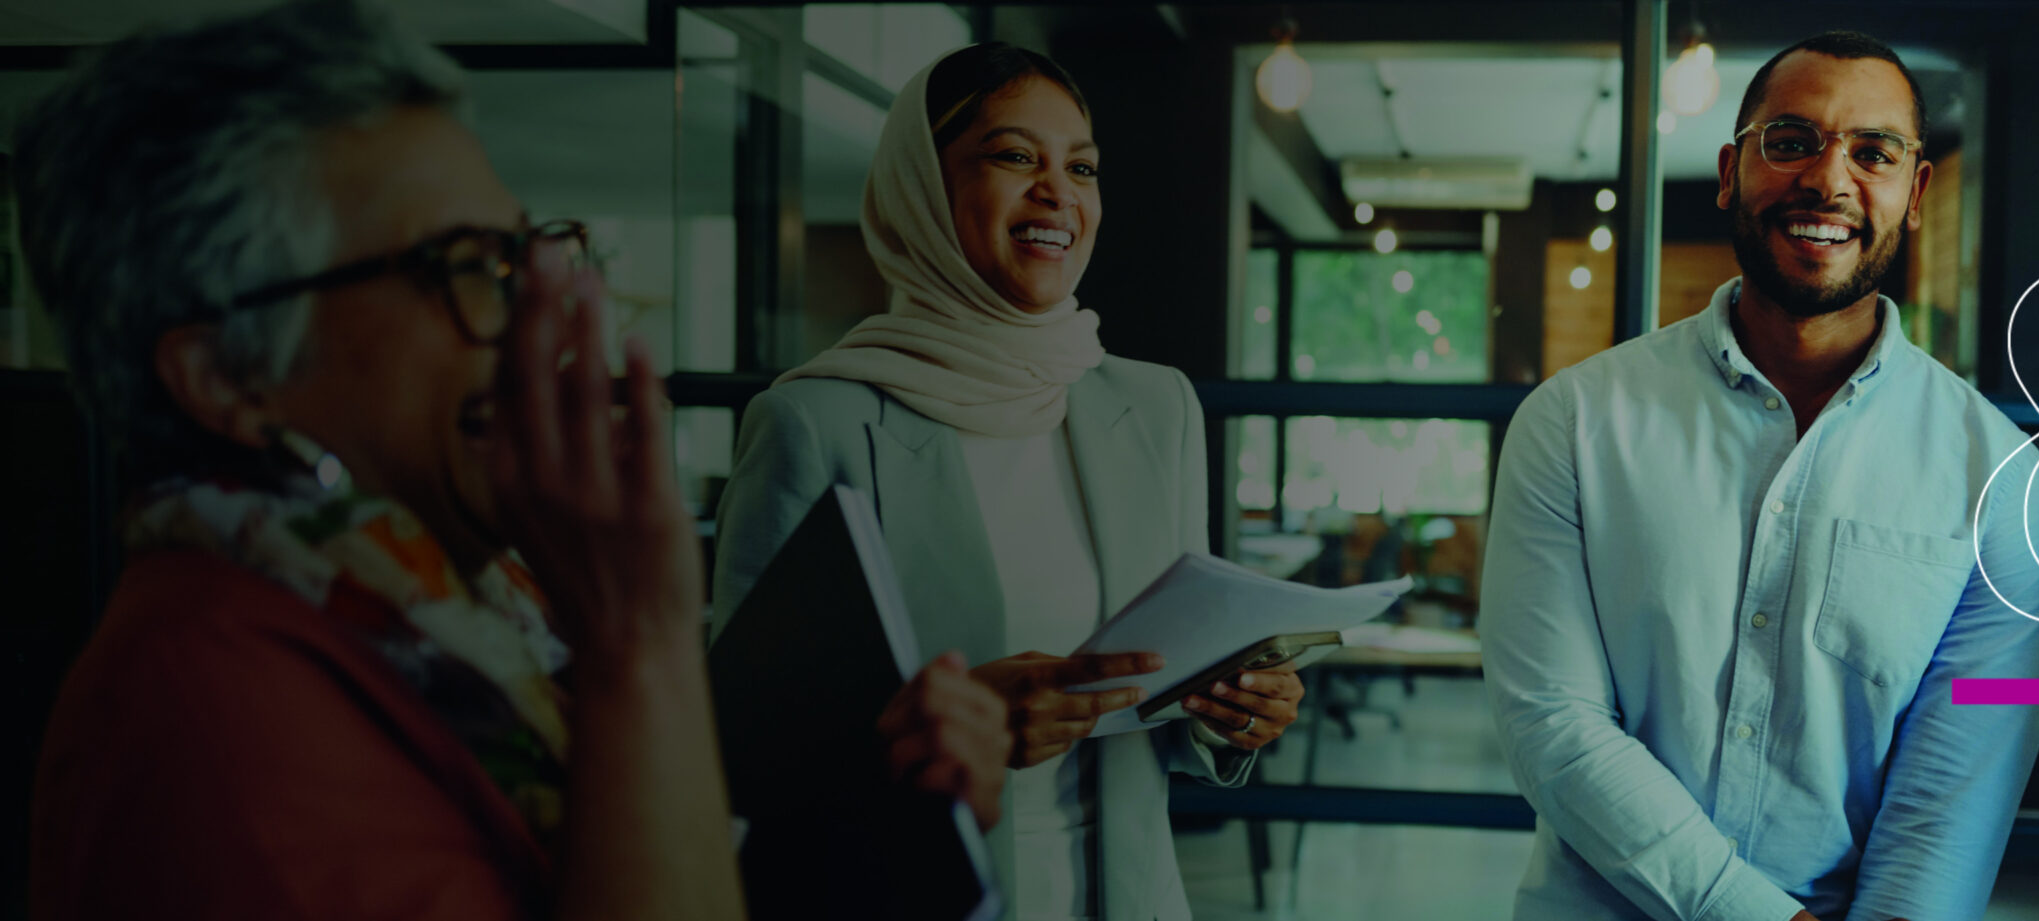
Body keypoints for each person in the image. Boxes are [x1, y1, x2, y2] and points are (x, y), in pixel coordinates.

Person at [15, 2, 1004, 918]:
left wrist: (869, 815)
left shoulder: (468, 611)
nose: (543, 318)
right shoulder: (206, 711)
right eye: (466, 269)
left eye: (528, 255)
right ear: (226, 377)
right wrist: (639, 643)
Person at [1479, 31, 2039, 921]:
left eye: (1874, 152)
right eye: (1791, 142)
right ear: (1730, 171)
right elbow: (1551, 723)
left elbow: (1953, 797)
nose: (1829, 181)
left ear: (1916, 192)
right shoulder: (1573, 422)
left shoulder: (2004, 479)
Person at [710, 42, 1304, 921]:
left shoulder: (1155, 407)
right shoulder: (815, 422)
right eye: (1015, 156)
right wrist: (949, 730)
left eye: (1082, 167)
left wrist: (1234, 710)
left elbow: (1170, 701)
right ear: (923, 185)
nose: (1057, 192)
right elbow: (738, 749)